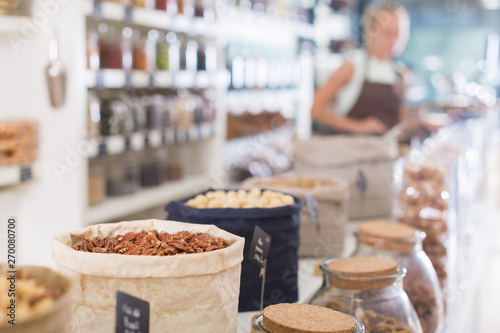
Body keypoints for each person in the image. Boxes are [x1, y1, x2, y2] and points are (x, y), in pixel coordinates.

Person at [311, 1, 411, 134]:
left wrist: (423, 124)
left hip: (387, 152)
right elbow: (316, 110)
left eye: (399, 33)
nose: (394, 40)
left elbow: (401, 124)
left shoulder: (401, 73)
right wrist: (359, 127)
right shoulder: (352, 66)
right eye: (388, 33)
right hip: (351, 151)